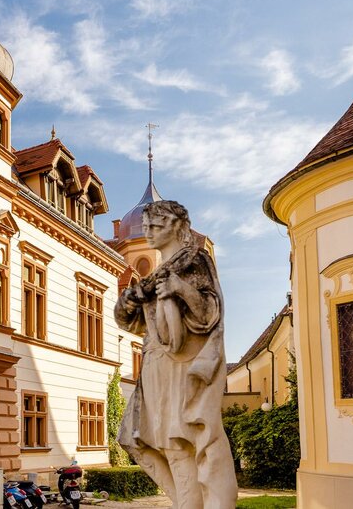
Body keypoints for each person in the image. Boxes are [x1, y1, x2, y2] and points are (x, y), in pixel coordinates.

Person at [115, 200, 236, 509]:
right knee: (159, 442)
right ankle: (187, 503)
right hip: (156, 363)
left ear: (176, 226)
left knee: (191, 437)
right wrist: (132, 299)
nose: (149, 232)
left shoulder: (194, 260)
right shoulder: (153, 278)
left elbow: (210, 313)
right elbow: (126, 319)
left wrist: (181, 289)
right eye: (146, 228)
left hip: (184, 362)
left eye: (156, 226)